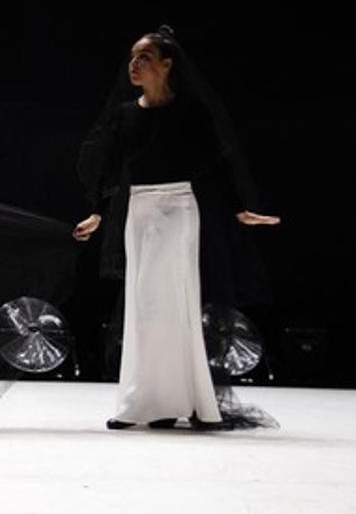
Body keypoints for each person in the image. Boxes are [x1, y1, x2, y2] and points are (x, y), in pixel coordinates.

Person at [73, 26, 279, 430]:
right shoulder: (127, 114)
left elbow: (217, 161)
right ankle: (145, 402)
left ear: (167, 65)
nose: (134, 64)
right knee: (143, 305)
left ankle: (183, 400)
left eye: (144, 57)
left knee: (175, 303)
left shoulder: (190, 111)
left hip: (178, 209)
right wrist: (97, 213)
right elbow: (113, 169)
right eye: (132, 57)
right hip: (140, 211)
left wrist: (240, 208)